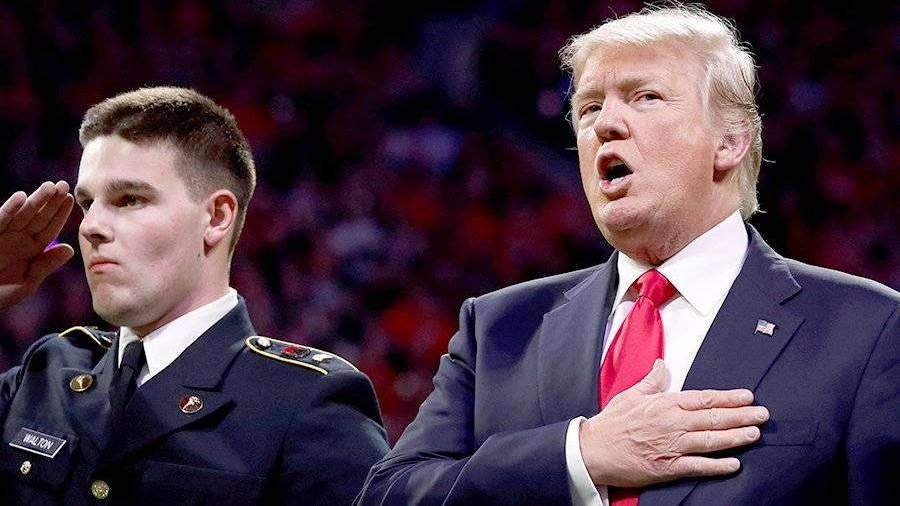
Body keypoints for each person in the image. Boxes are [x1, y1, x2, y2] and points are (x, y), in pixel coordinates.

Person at [357, 5, 899, 506]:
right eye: (589, 107)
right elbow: (389, 495)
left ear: (730, 141)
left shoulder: (867, 330)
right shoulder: (499, 329)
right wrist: (579, 454)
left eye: (645, 97)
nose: (605, 124)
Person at [0, 87, 389, 505]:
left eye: (129, 199)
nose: (90, 226)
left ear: (216, 217)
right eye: (87, 203)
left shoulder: (305, 402)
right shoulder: (45, 372)